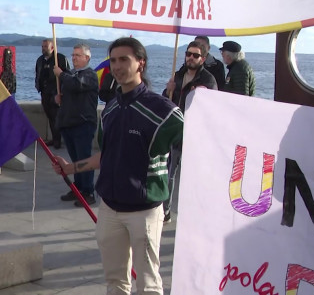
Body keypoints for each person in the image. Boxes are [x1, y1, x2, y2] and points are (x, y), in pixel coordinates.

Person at [52, 37, 184, 295]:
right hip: (110, 209)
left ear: (140, 64)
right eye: (113, 60)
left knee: (148, 284)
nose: (117, 66)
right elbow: (105, 156)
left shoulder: (163, 111)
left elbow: (201, 141)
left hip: (144, 212)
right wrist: (71, 169)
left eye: (124, 59)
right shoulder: (110, 109)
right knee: (115, 283)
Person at [162, 41, 217, 223]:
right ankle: (165, 212)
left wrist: (205, 95)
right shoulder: (177, 76)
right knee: (169, 175)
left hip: (194, 137)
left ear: (203, 59)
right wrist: (167, 90)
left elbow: (213, 107)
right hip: (175, 134)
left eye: (195, 55)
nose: (190, 58)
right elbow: (166, 102)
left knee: (194, 179)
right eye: (188, 54)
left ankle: (194, 217)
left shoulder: (207, 80)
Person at [54, 43, 99, 206]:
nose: (74, 58)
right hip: (69, 123)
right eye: (73, 55)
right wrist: (59, 98)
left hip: (83, 123)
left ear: (87, 58)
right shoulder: (72, 74)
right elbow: (70, 91)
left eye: (78, 55)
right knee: (75, 160)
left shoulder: (89, 75)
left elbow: (76, 85)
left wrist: (61, 74)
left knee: (84, 159)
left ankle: (88, 191)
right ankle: (78, 189)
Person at [35, 39, 70, 148]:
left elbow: (67, 75)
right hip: (44, 92)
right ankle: (54, 138)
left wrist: (62, 91)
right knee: (50, 116)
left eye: (45, 46)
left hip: (56, 91)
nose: (43, 48)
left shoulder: (60, 59)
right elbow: (38, 74)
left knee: (56, 117)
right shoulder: (40, 60)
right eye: (42, 46)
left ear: (52, 48)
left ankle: (58, 141)